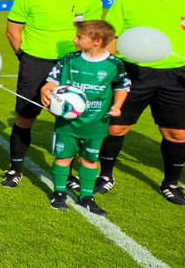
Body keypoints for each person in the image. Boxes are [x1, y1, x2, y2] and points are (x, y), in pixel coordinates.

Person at [99, 0, 185, 206]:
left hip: (176, 76)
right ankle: (104, 175)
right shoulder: (125, 2)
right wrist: (107, 74)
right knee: (116, 127)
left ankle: (171, 184)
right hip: (132, 73)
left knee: (177, 133)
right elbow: (110, 41)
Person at [2, 0, 102, 188]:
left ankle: (66, 174)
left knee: (71, 118)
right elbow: (12, 31)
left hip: (74, 65)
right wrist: (25, 58)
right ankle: (15, 168)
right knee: (25, 117)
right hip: (35, 64)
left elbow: (92, 34)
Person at [41, 20, 129, 216]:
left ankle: (87, 196)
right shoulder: (69, 59)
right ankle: (59, 193)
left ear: (97, 41)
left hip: (96, 122)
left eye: (79, 37)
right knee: (63, 157)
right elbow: (52, 81)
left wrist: (116, 106)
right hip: (67, 123)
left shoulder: (114, 64)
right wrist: (46, 91)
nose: (74, 39)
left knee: (89, 159)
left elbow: (122, 86)